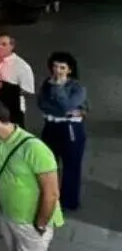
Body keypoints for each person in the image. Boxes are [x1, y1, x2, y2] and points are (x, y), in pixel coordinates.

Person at [0, 100, 63, 251]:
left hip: (30, 222)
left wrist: (40, 224)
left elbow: (51, 193)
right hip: (7, 216)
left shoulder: (35, 149)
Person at [37, 52, 87, 211]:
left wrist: (58, 88)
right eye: (55, 66)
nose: (57, 70)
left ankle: (69, 201)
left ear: (69, 70)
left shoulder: (77, 87)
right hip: (51, 126)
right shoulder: (47, 83)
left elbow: (68, 106)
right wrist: (62, 109)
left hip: (70, 129)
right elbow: (42, 104)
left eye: (62, 67)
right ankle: (49, 195)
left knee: (71, 165)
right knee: (48, 163)